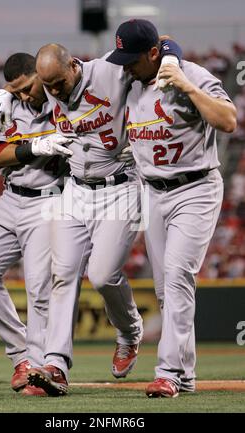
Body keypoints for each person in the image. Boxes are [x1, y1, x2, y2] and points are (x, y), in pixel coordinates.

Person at [24, 41, 183, 397]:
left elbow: (159, 45)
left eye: (57, 83)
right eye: (46, 84)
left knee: (102, 274)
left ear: (74, 67)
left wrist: (170, 56)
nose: (52, 91)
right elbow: (23, 92)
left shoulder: (111, 70)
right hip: (75, 189)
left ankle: (129, 331)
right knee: (62, 274)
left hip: (121, 186)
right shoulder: (49, 86)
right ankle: (56, 365)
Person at [106, 19, 237, 397]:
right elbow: (163, 41)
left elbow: (228, 121)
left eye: (133, 58)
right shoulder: (131, 83)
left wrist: (188, 86)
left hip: (194, 188)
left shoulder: (191, 75)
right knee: (167, 290)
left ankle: (168, 372)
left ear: (152, 55)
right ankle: (186, 374)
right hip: (153, 192)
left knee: (178, 277)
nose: (126, 65)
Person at [0, 52, 72, 397]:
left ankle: (41, 369)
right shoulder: (7, 103)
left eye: (27, 87)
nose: (24, 95)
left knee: (39, 288)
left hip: (50, 199)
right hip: (12, 197)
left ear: (41, 74)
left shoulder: (67, 99)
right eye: (16, 90)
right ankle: (22, 357)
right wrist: (35, 146)